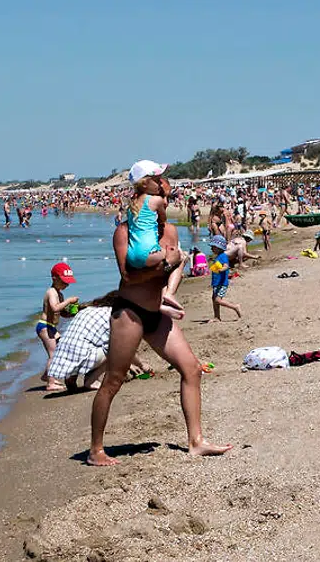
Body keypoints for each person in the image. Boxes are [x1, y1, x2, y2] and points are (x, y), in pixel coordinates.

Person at [90, 198, 230, 466]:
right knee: (113, 381)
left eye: (164, 201)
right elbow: (128, 277)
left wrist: (170, 291)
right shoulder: (124, 232)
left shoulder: (170, 231)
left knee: (192, 369)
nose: (162, 206)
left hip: (156, 312)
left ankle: (196, 441)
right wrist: (167, 264)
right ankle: (96, 450)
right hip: (129, 312)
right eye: (157, 201)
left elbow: (177, 265)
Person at [45, 298, 153, 393]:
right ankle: (91, 381)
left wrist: (128, 364)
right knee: (113, 350)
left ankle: (71, 378)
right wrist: (141, 364)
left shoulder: (87, 310)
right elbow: (122, 348)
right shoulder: (113, 316)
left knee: (86, 344)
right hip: (81, 355)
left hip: (61, 359)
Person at [124, 160, 175, 272]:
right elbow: (163, 219)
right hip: (149, 252)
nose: (159, 184)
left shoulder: (132, 205)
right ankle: (171, 282)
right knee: (179, 255)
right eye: (157, 181)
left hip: (131, 255)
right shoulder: (156, 200)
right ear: (145, 184)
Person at [38, 263, 79, 385]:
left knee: (61, 350)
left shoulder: (59, 294)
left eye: (68, 282)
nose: (66, 285)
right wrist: (68, 301)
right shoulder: (51, 292)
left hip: (52, 327)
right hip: (44, 326)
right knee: (53, 355)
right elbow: (55, 308)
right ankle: (51, 383)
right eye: (64, 282)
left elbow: (59, 312)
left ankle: (46, 375)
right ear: (54, 278)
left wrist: (71, 313)